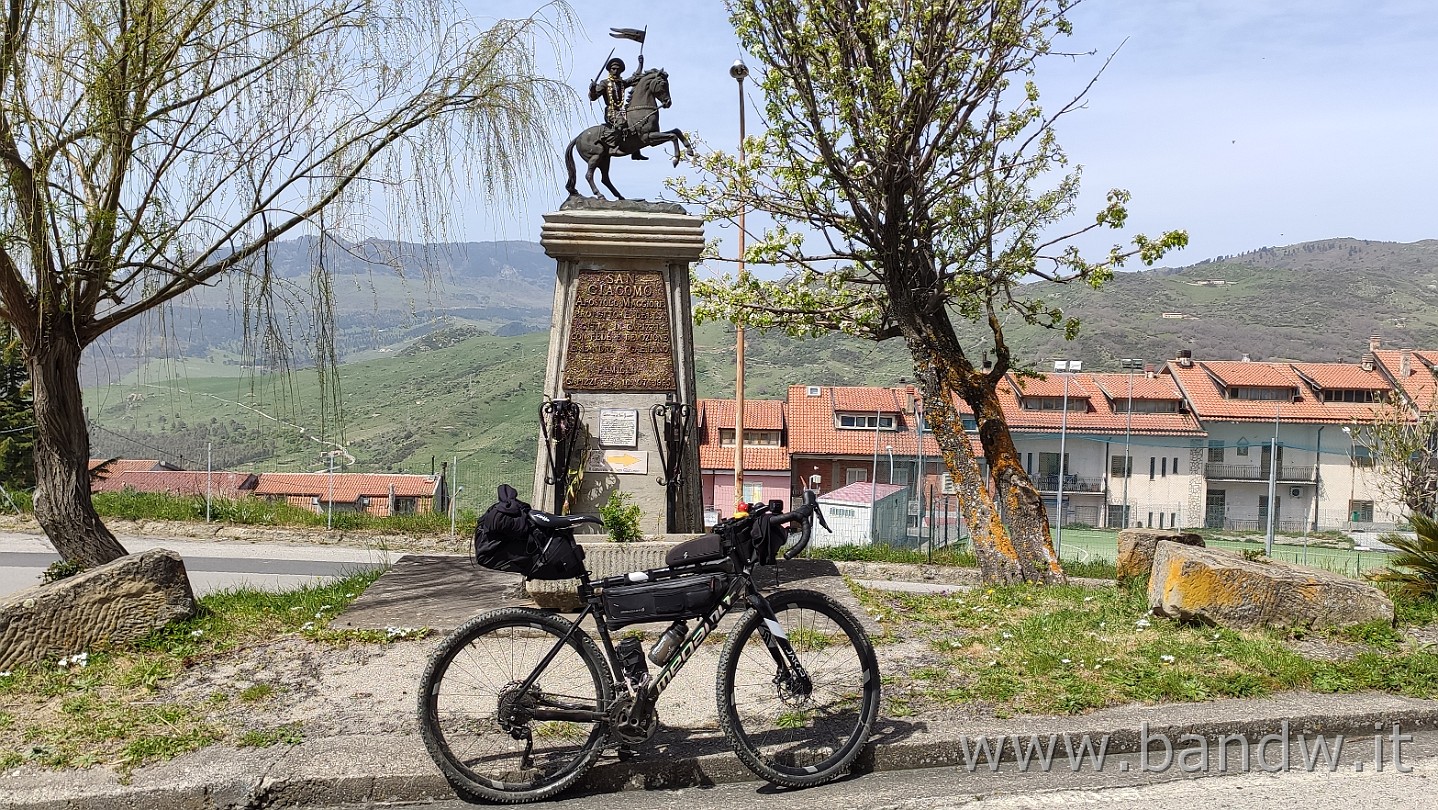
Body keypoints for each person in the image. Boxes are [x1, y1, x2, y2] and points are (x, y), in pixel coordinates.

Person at [589, 55, 648, 160]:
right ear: (609, 70)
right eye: (613, 69)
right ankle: (611, 144)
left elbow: (635, 77)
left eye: (618, 69)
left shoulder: (621, 83)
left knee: (634, 123)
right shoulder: (605, 83)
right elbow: (593, 97)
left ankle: (635, 152)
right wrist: (593, 89)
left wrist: (640, 64)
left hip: (622, 110)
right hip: (611, 112)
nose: (615, 71)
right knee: (621, 123)